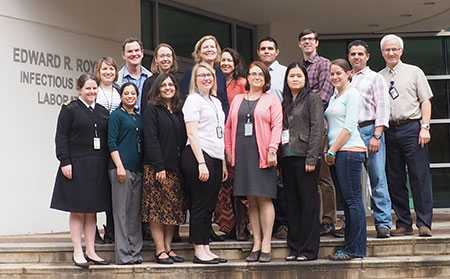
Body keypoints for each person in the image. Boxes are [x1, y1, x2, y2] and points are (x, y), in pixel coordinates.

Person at [50, 74, 110, 268]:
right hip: (76, 165)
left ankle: (91, 250)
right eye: (88, 89)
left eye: (94, 88)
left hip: (97, 165)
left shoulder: (102, 111)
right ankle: (78, 250)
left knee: (92, 210)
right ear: (79, 90)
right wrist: (64, 161)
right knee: (77, 209)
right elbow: (61, 137)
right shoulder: (69, 110)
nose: (92, 92)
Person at [225, 61, 282, 263]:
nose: (256, 77)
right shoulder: (238, 99)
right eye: (253, 73)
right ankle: (256, 242)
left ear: (266, 79)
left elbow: (277, 126)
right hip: (242, 153)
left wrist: (273, 149)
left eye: (260, 74)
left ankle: (267, 243)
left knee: (264, 197)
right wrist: (229, 152)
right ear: (247, 77)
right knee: (250, 200)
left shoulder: (271, 100)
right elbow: (229, 127)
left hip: (263, 153)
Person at [379, 34, 433, 237]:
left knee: (419, 176)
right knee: (395, 178)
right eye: (387, 50)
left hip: (412, 128)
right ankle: (403, 223)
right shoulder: (379, 76)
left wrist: (425, 127)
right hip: (389, 131)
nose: (391, 53)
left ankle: (424, 223)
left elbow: (425, 101)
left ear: (401, 51)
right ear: (382, 52)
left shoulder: (414, 72)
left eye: (395, 49)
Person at [181, 62, 228, 264]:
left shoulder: (216, 101)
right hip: (198, 155)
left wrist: (223, 162)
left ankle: (206, 246)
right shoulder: (192, 100)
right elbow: (192, 132)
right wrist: (201, 162)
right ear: (195, 79)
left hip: (216, 156)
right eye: (201, 75)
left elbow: (220, 134)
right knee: (200, 204)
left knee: (210, 204)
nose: (206, 78)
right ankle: (198, 249)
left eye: (209, 75)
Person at [347, 40, 392, 238]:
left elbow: (383, 108)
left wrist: (377, 135)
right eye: (353, 54)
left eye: (360, 54)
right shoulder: (346, 79)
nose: (356, 57)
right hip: (350, 134)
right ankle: (355, 225)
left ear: (367, 56)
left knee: (377, 178)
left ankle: (383, 223)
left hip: (369, 131)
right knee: (352, 182)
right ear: (349, 57)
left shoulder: (375, 78)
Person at [280, 62, 324, 261]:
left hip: (306, 158)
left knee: (308, 204)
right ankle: (295, 247)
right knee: (292, 204)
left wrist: (312, 157)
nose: (295, 79)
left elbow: (317, 128)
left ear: (305, 79)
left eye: (299, 75)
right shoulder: (286, 100)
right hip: (288, 157)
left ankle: (309, 250)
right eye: (291, 76)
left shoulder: (312, 98)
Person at [142, 73, 187, 264]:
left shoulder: (177, 110)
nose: (168, 88)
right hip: (156, 168)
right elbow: (150, 139)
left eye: (171, 85)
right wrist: (158, 165)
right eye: (164, 85)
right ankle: (159, 249)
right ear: (158, 88)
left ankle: (169, 248)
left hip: (176, 168)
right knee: (157, 211)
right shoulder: (152, 109)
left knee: (172, 210)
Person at [324, 59, 367, 260]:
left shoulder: (352, 94)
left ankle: (356, 249)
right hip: (339, 152)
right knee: (349, 203)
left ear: (348, 73)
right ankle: (350, 246)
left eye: (338, 73)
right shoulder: (335, 96)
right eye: (332, 74)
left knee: (353, 202)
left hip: (350, 151)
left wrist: (331, 150)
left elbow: (349, 127)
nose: (334, 77)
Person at [298, 28, 338, 237]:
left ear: (317, 42)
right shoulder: (299, 67)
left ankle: (328, 220)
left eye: (310, 39)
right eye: (303, 40)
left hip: (317, 125)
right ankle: (313, 217)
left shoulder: (324, 64)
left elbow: (324, 95)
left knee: (322, 174)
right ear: (299, 44)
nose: (307, 43)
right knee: (307, 174)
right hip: (301, 128)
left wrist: (305, 114)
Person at [107, 82, 144, 264]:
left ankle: (135, 252)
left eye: (133, 93)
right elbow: (111, 143)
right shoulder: (116, 116)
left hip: (137, 170)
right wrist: (119, 166)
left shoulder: (138, 117)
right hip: (121, 170)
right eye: (126, 93)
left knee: (134, 213)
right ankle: (123, 255)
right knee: (120, 213)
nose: (130, 96)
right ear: (121, 96)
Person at [214, 47, 248, 241]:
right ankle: (228, 226)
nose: (225, 63)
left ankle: (242, 228)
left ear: (236, 64)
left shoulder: (242, 83)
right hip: (219, 138)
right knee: (224, 186)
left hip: (239, 138)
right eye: (223, 60)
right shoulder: (216, 82)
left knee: (239, 185)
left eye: (229, 60)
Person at [256, 36, 288, 239]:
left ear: (276, 52)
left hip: (282, 132)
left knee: (282, 180)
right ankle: (269, 225)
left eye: (270, 48)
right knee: (264, 182)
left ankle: (284, 223)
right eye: (263, 48)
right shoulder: (255, 72)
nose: (266, 51)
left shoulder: (285, 73)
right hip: (259, 135)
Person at [94, 56, 121, 244]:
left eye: (111, 69)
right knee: (96, 189)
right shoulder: (93, 90)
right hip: (97, 146)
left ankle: (111, 230)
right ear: (99, 71)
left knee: (113, 190)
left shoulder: (119, 91)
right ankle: (94, 230)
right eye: (105, 69)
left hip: (116, 145)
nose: (108, 72)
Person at [179, 35, 229, 114]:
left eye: (212, 47)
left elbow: (225, 102)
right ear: (199, 52)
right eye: (206, 47)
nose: (209, 49)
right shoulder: (191, 72)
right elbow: (182, 99)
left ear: (217, 51)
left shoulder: (220, 74)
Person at [141, 43, 179, 113]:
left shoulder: (178, 81)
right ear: (156, 59)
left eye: (168, 56)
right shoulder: (149, 82)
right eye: (162, 56)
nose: (165, 59)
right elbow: (144, 109)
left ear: (173, 59)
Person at [117, 37, 152, 113]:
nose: (134, 54)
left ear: (142, 53)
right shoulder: (117, 79)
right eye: (130, 51)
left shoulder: (151, 78)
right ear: (123, 55)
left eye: (137, 50)